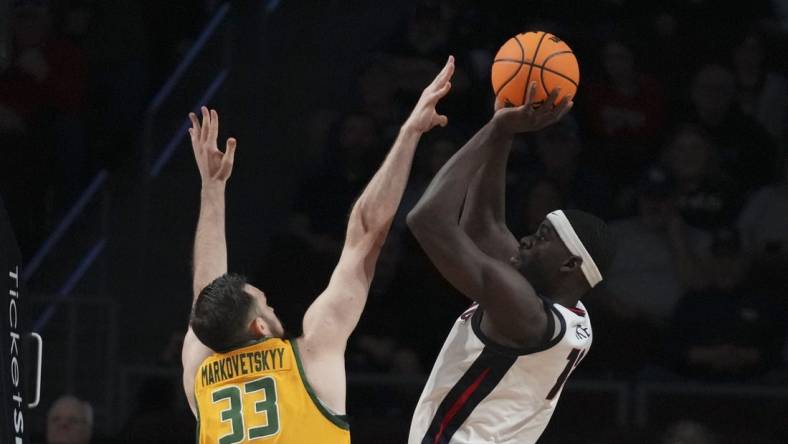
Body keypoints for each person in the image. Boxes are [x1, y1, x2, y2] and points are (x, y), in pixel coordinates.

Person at [180, 56, 456, 443]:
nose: (272, 305)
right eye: (265, 303)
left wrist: (212, 190)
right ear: (259, 326)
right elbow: (366, 234)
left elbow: (205, 299)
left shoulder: (201, 377)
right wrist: (409, 132)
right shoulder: (308, 358)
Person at [406, 82, 616, 443]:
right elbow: (484, 224)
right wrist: (504, 129)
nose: (527, 239)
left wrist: (495, 130)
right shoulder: (570, 310)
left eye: (543, 236)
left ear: (569, 265)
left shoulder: (522, 309)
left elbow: (427, 219)